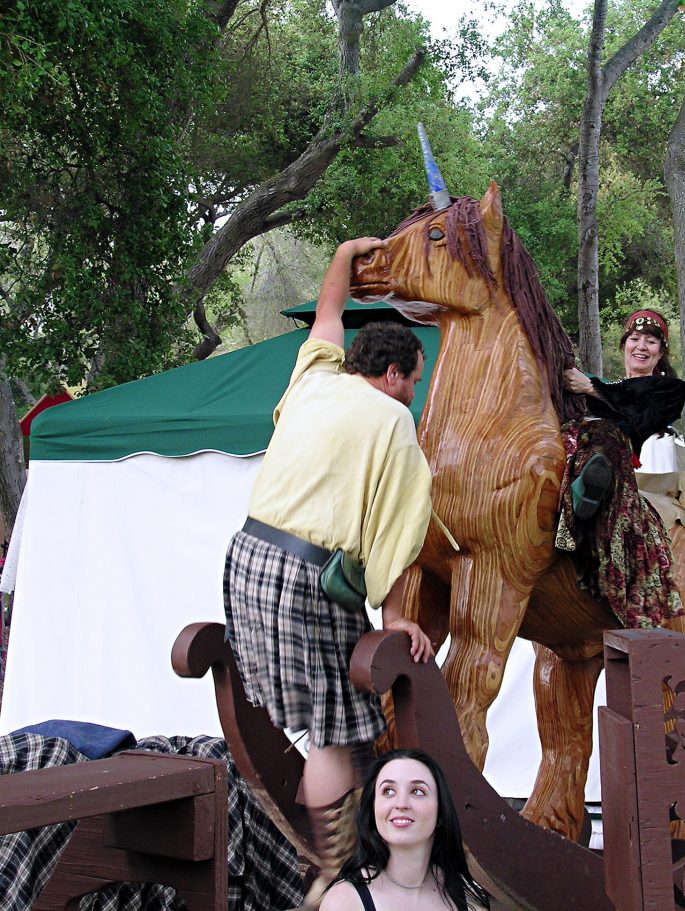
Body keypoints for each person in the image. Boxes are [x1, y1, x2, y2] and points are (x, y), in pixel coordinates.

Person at [222, 237, 436, 907]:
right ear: (398, 374)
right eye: (417, 378)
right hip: (300, 576)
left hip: (245, 560)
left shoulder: (315, 376)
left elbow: (326, 313)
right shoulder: (393, 420)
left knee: (319, 721)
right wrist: (399, 617)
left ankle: (324, 854)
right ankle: (334, 869)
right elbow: (397, 536)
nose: (416, 390)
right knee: (336, 733)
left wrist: (345, 254)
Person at [556, 309, 685, 629]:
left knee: (606, 434)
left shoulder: (671, 390)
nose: (641, 345)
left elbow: (637, 416)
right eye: (634, 338)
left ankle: (583, 497)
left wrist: (591, 387)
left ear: (661, 352)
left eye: (651, 340)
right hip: (575, 450)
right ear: (624, 346)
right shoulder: (608, 387)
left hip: (617, 464)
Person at [321, 749, 489, 911]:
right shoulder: (344, 901)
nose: (401, 803)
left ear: (440, 812)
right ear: (372, 810)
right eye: (388, 791)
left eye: (417, 791)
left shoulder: (468, 897)